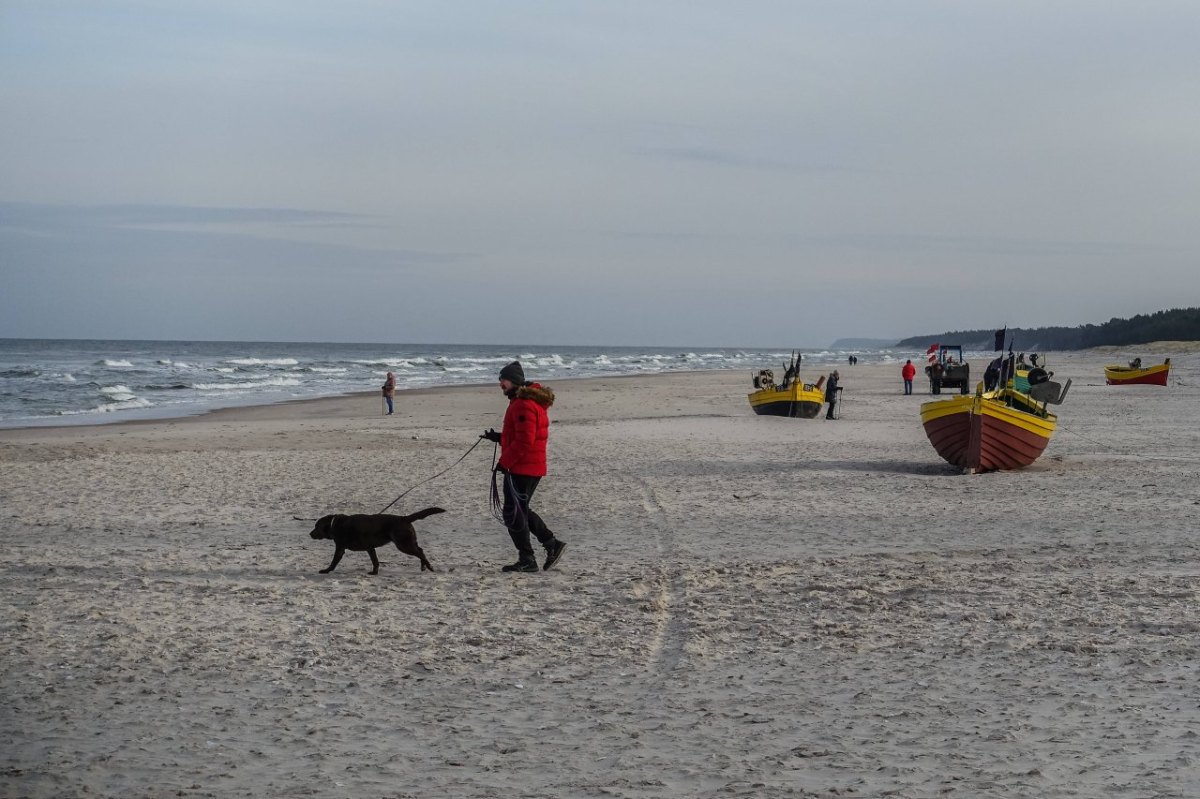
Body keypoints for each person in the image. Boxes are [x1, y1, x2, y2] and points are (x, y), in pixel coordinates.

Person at [482, 361, 567, 573]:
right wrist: (500, 438)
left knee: (513, 513)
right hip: (528, 466)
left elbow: (525, 441)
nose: (501, 383)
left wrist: (505, 462)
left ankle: (529, 557)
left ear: (515, 381)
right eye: (500, 379)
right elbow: (522, 436)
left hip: (523, 468)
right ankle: (550, 544)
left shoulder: (523, 404)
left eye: (504, 379)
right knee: (520, 510)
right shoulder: (523, 402)